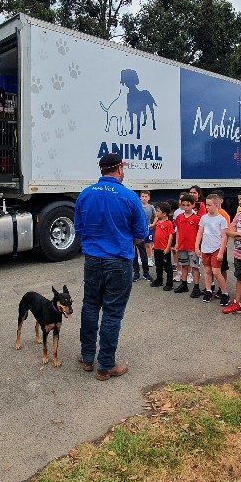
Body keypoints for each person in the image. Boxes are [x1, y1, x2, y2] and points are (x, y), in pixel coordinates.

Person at [74, 152, 148, 380]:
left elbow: (79, 230)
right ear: (118, 169)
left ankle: (87, 357)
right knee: (112, 313)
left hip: (93, 260)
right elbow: (141, 234)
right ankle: (105, 366)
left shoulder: (85, 195)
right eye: (123, 168)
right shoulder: (129, 196)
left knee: (90, 307)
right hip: (118, 261)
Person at [195, 195, 230, 305]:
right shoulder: (204, 218)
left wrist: (221, 252)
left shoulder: (222, 219)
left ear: (217, 205)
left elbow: (224, 237)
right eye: (206, 205)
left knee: (216, 272)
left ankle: (225, 293)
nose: (207, 207)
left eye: (209, 205)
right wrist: (197, 246)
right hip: (205, 248)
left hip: (216, 249)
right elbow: (200, 233)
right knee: (207, 271)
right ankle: (209, 290)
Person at [172, 194, 201, 297]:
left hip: (192, 247)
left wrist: (198, 247)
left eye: (188, 205)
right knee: (184, 265)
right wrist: (176, 243)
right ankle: (184, 284)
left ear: (193, 205)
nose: (186, 207)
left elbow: (199, 234)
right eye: (183, 205)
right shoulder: (179, 217)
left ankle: (196, 287)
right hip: (182, 246)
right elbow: (178, 231)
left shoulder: (197, 218)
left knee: (194, 267)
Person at [149, 202, 175, 291]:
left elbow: (171, 236)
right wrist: (154, 245)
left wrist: (168, 247)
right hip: (157, 248)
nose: (156, 213)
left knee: (167, 266)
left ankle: (169, 283)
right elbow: (156, 234)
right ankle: (159, 280)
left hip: (164, 249)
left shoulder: (169, 223)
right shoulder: (158, 222)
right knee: (158, 265)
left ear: (164, 214)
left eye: (158, 211)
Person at [132, 190, 154, 282]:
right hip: (134, 233)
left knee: (143, 253)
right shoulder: (135, 207)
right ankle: (136, 273)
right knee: (134, 254)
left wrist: (152, 224)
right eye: (142, 196)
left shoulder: (150, 207)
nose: (144, 198)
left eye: (146, 196)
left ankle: (146, 273)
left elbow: (155, 215)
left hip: (142, 232)